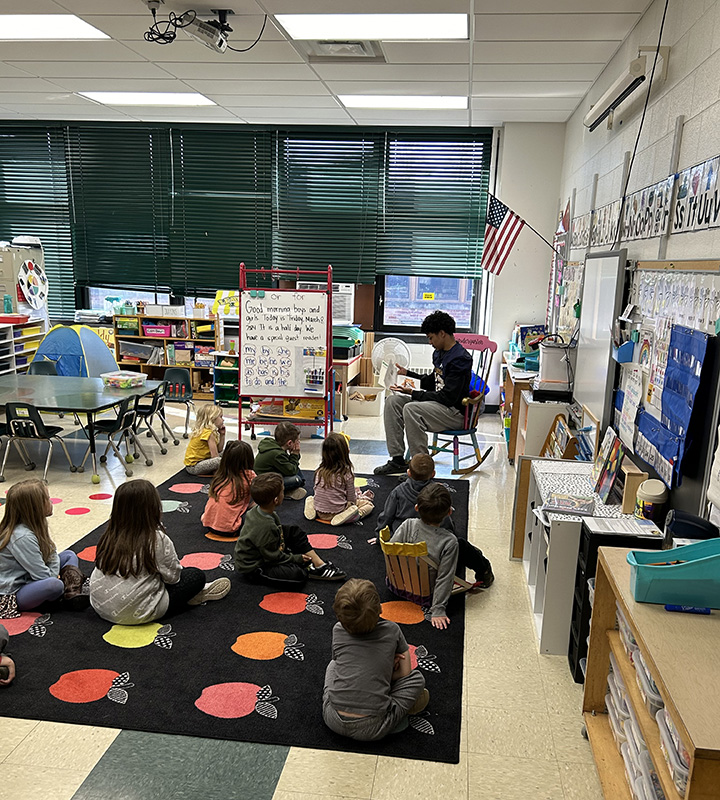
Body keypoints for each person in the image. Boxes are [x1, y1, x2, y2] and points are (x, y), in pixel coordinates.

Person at [90, 479, 231, 625]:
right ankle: (195, 595)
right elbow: (174, 578)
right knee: (195, 576)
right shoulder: (156, 538)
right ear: (153, 508)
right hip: (134, 612)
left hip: (100, 605)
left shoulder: (109, 534)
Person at [322, 579, 428, 741]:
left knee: (332, 665)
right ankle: (396, 712)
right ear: (379, 609)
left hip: (332, 718)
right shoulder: (392, 629)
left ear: (339, 614)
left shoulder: (337, 629)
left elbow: (339, 663)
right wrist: (387, 672)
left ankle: (378, 688)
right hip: (374, 727)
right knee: (416, 679)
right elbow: (406, 671)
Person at [375, 310, 473, 476]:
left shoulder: (460, 359)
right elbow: (433, 381)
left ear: (442, 334)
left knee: (411, 409)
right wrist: (408, 373)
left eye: (430, 337)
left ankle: (421, 469)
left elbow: (448, 397)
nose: (429, 342)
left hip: (454, 412)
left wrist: (414, 394)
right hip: (439, 406)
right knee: (393, 402)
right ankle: (398, 459)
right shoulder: (439, 353)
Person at [390, 483, 494, 630]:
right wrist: (438, 608)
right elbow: (445, 576)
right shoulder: (449, 541)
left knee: (458, 546)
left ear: (417, 508)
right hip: (428, 592)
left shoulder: (407, 524)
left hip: (400, 586)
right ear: (449, 512)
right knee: (462, 545)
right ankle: (484, 570)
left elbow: (392, 550)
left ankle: (478, 557)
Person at [234, 473, 346, 587]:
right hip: (255, 567)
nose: (284, 493)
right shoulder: (266, 526)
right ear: (276, 500)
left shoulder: (258, 510)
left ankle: (319, 565)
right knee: (298, 576)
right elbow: (273, 557)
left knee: (294, 531)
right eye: (283, 491)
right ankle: (308, 568)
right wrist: (296, 559)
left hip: (265, 547)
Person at [0, 479, 80, 611]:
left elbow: (46, 560)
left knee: (69, 555)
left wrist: (52, 558)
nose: (51, 502)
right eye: (47, 499)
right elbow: (44, 576)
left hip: (28, 578)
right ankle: (68, 591)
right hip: (11, 593)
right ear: (35, 507)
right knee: (54, 585)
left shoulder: (33, 524)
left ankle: (72, 592)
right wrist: (55, 569)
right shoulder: (22, 537)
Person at [304, 432, 374, 526]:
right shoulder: (346, 474)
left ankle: (312, 511)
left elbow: (317, 491)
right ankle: (351, 515)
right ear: (345, 453)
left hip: (320, 512)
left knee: (311, 498)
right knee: (368, 505)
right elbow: (351, 499)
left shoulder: (319, 471)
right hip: (338, 511)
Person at [374, 453, 453, 536]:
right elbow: (445, 517)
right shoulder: (439, 494)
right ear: (433, 474)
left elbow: (387, 515)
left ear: (409, 473)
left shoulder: (398, 491)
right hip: (431, 535)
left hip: (402, 534)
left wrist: (380, 535)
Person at [201, 440, 256, 539]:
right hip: (231, 528)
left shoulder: (221, 476)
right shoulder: (249, 476)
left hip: (209, 523)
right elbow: (263, 495)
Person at [253, 421, 307, 499]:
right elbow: (291, 470)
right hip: (263, 484)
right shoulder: (277, 454)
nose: (298, 443)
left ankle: (283, 490)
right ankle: (282, 493)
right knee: (297, 480)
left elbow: (288, 463)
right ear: (289, 443)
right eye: (297, 441)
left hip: (269, 475)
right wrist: (295, 454)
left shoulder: (275, 445)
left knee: (297, 471)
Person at [184, 403, 226, 475]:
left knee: (227, 452)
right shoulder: (208, 433)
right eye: (221, 417)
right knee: (219, 460)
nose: (223, 420)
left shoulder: (210, 431)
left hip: (202, 461)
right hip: (194, 466)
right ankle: (218, 474)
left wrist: (222, 435)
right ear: (212, 418)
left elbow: (219, 450)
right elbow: (215, 457)